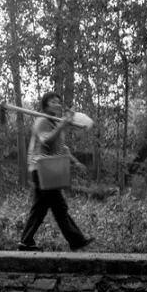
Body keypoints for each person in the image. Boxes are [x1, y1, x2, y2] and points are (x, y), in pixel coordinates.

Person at [17, 91, 93, 251]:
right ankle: (76, 240)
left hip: (49, 167)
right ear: (45, 105)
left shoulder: (55, 123)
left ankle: (26, 241)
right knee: (58, 206)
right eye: (52, 101)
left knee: (43, 207)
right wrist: (62, 125)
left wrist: (76, 161)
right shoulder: (42, 121)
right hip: (41, 167)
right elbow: (46, 140)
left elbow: (61, 147)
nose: (57, 104)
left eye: (58, 101)